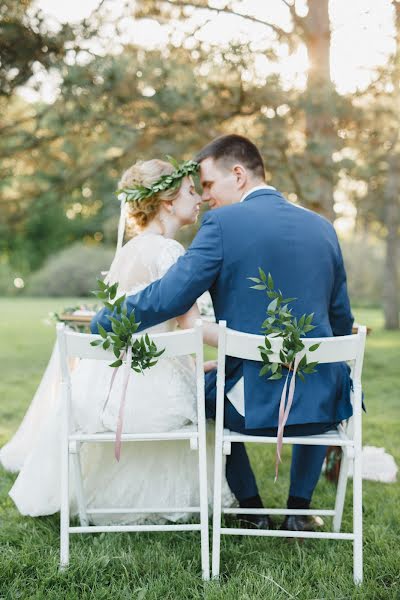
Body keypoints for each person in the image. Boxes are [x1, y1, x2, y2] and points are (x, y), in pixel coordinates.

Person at [91, 134, 354, 532]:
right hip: (322, 405)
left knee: (197, 392)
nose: (206, 197)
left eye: (209, 185)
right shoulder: (323, 228)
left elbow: (168, 297)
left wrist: (107, 320)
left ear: (238, 174)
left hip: (249, 405)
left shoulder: (222, 225)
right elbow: (340, 319)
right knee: (319, 383)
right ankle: (298, 510)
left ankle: (251, 507)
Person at [5, 158, 233, 522]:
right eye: (192, 191)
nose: (200, 199)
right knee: (205, 402)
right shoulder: (169, 253)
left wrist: (191, 365)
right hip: (152, 392)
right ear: (168, 202)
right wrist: (243, 345)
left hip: (105, 390)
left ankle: (108, 502)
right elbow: (191, 329)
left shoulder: (127, 252)